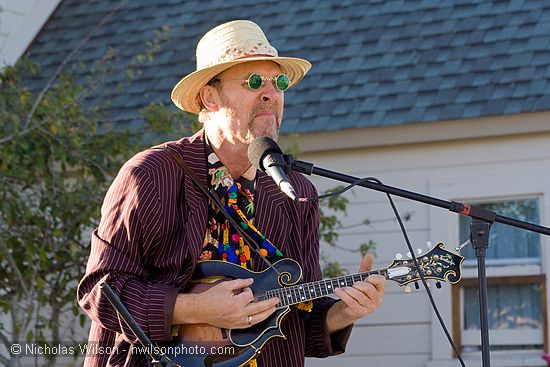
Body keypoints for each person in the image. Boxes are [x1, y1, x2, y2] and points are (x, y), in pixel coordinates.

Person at [77, 20, 385, 367]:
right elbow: (100, 291)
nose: (271, 93)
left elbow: (298, 321)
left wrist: (343, 312)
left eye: (279, 82)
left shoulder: (297, 191)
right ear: (210, 97)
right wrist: (195, 307)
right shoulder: (151, 174)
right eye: (254, 82)